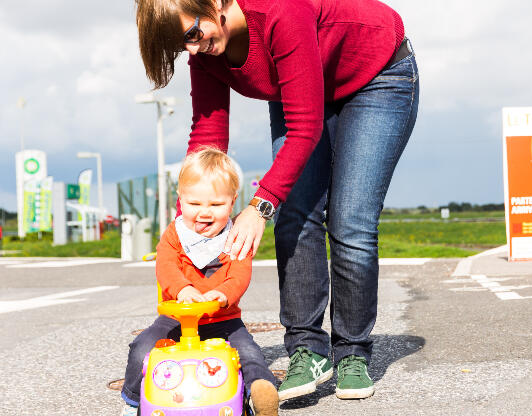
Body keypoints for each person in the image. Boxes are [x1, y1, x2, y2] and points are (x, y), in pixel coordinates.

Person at [135, 0, 419, 402]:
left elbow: (305, 127)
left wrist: (258, 206)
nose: (193, 51)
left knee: (349, 223)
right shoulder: (206, 54)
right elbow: (208, 136)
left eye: (193, 35)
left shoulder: (278, 11)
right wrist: (187, 219)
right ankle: (307, 349)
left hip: (376, 76)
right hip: (303, 87)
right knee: (295, 217)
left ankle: (352, 353)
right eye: (184, 46)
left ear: (214, 3)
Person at [120, 147, 278, 416]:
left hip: (224, 320)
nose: (204, 213)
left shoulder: (236, 235)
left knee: (249, 354)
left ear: (232, 202)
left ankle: (260, 394)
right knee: (143, 346)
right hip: (176, 320)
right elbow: (166, 266)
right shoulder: (175, 234)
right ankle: (134, 400)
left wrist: (222, 294)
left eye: (216, 205)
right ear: (181, 199)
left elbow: (240, 274)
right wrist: (183, 289)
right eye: (194, 204)